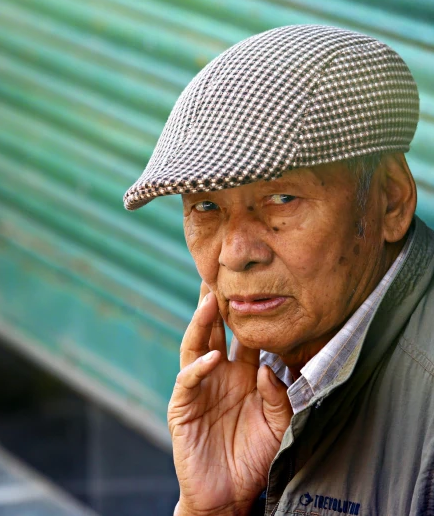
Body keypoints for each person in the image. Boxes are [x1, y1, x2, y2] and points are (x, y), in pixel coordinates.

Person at [124, 25, 432, 515]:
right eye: (205, 207)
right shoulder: (272, 366)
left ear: (390, 200)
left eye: (281, 198)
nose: (234, 254)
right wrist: (214, 509)